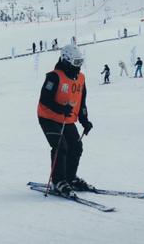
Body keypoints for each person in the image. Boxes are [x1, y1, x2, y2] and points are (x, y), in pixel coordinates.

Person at [37, 44, 94, 197]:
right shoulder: (54, 77)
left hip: (67, 119)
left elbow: (81, 102)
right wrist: (61, 108)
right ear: (66, 61)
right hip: (48, 117)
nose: (79, 66)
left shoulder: (81, 79)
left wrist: (85, 121)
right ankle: (58, 181)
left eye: (80, 62)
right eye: (76, 62)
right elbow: (44, 100)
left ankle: (70, 178)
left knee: (76, 146)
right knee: (61, 147)